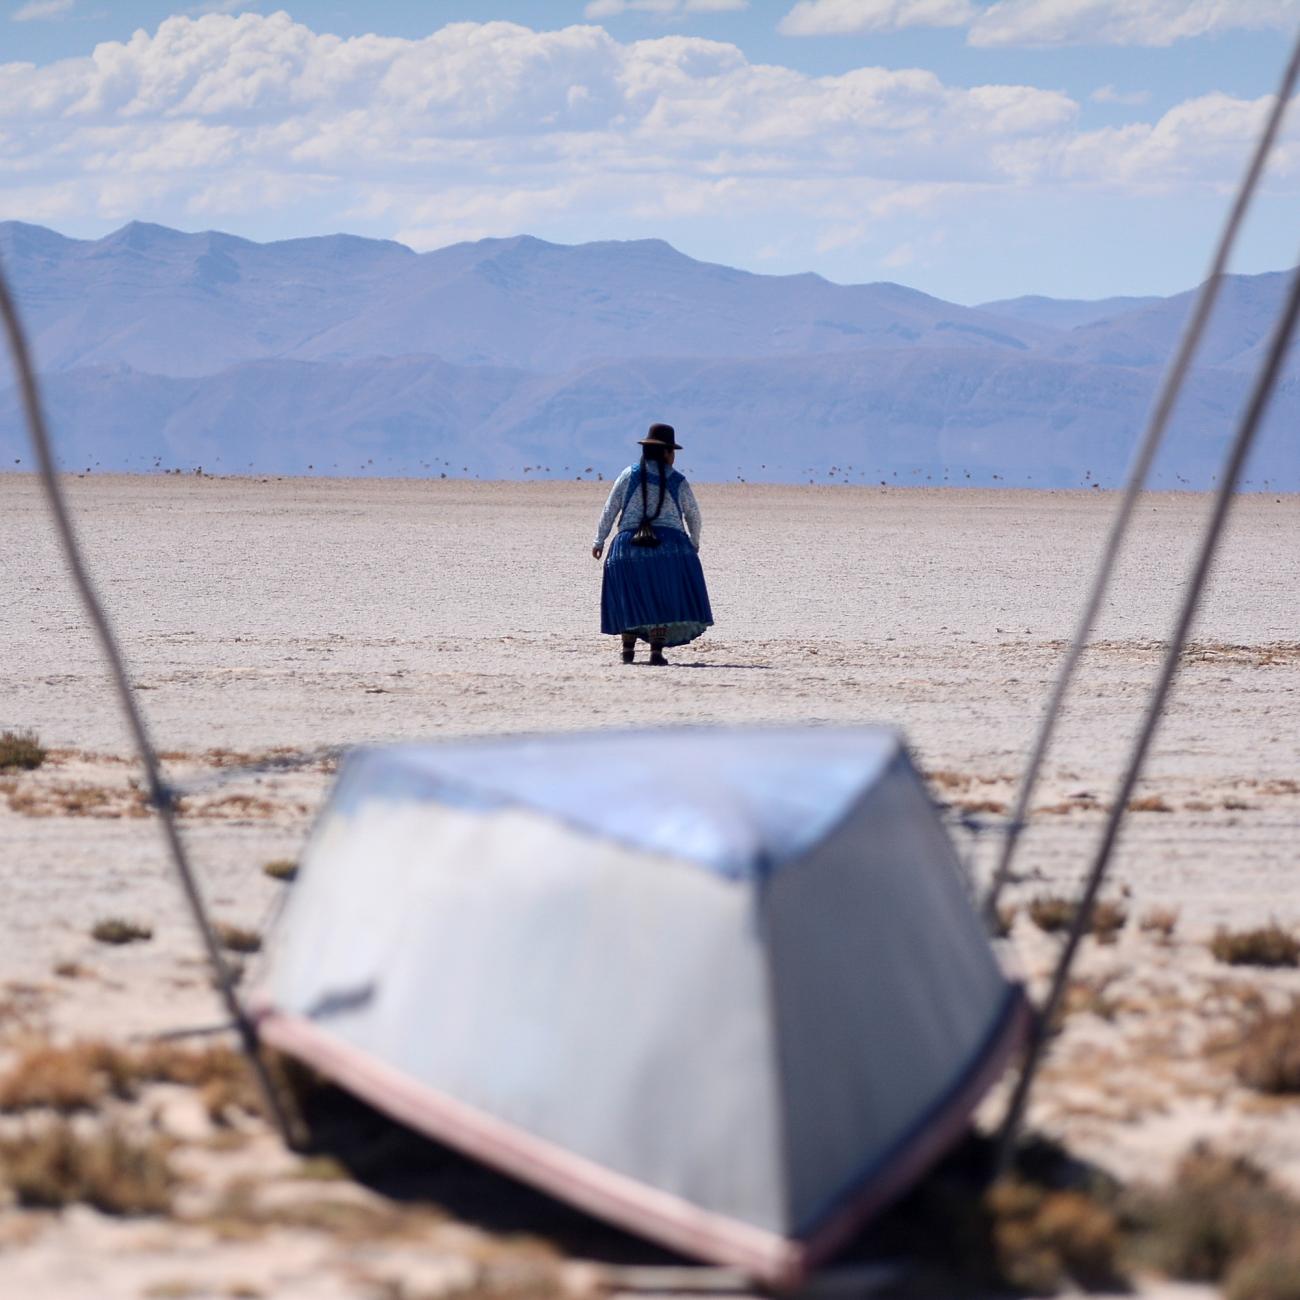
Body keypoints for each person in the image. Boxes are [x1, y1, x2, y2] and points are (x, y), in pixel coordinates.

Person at [592, 423, 713, 665]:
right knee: (661, 598)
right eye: (673, 452)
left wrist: (600, 539)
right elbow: (693, 515)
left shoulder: (629, 474)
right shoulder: (678, 481)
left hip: (626, 548)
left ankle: (627, 650)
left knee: (631, 596)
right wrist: (694, 543)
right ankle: (656, 652)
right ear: (667, 452)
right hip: (668, 548)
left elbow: (611, 508)